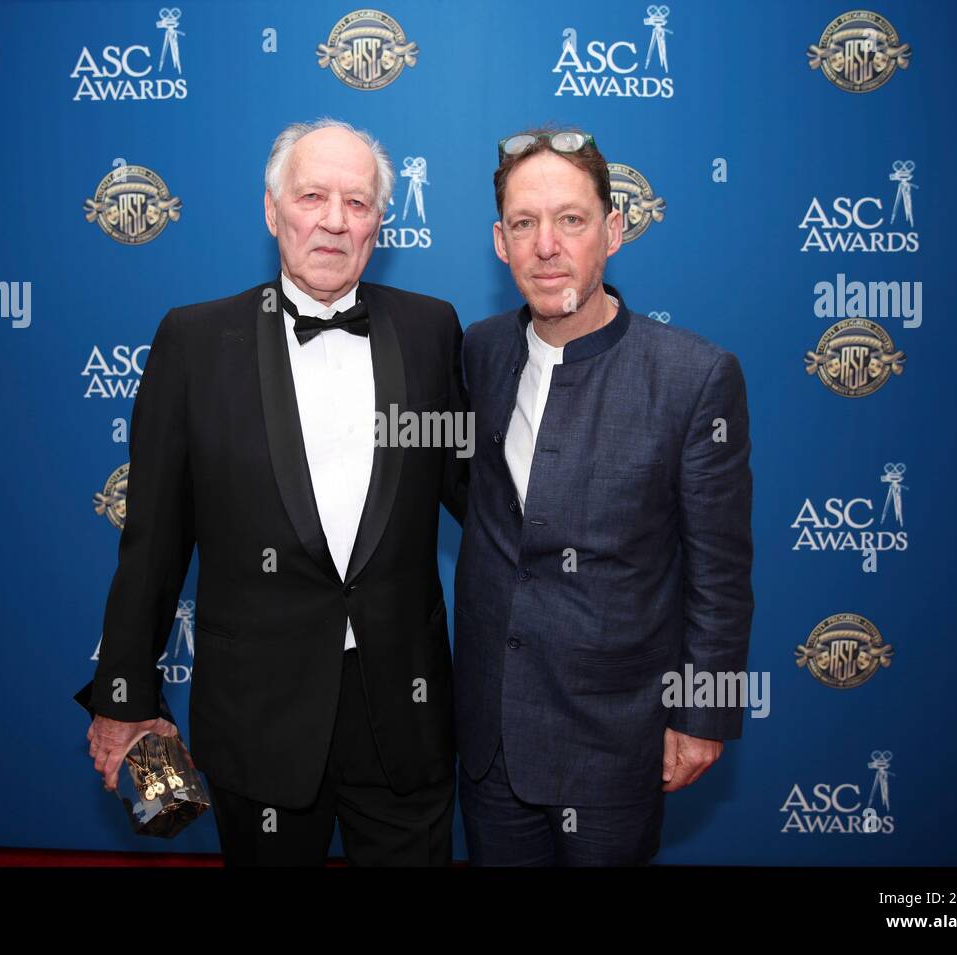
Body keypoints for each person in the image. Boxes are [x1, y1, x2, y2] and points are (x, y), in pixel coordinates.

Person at [77, 118, 467, 866]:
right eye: (312, 195)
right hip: (257, 715)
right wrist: (123, 693)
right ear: (271, 209)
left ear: (380, 223)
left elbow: (477, 496)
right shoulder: (196, 343)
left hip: (404, 714)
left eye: (357, 203)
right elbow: (154, 539)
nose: (333, 219)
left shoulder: (430, 332)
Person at [454, 126, 754, 865]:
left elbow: (719, 568)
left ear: (613, 231)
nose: (546, 245)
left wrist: (703, 711)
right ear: (500, 242)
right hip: (490, 739)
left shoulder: (693, 378)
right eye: (524, 224)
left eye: (571, 219)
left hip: (616, 740)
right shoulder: (479, 352)